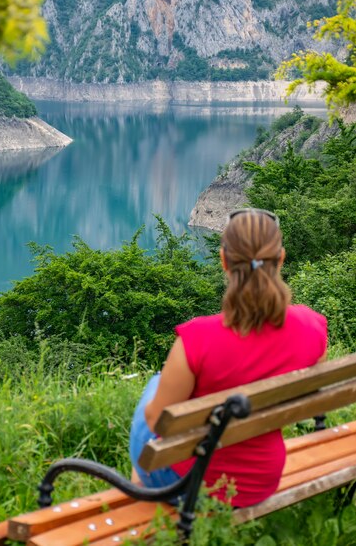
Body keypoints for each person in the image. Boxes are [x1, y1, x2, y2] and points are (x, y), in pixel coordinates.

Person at [129, 208, 327, 508]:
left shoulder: (197, 338)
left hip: (195, 484)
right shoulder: (311, 327)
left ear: (223, 261)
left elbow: (158, 422)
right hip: (262, 480)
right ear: (281, 258)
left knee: (153, 393)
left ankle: (143, 509)